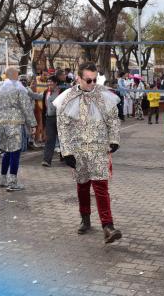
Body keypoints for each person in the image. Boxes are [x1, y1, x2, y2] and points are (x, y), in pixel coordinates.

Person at [53, 62, 122, 243]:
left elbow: (113, 120)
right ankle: (85, 219)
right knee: (83, 186)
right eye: (88, 80)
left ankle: (108, 226)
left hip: (99, 148)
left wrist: (114, 139)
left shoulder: (104, 95)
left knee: (101, 187)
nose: (92, 84)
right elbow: (63, 127)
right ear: (78, 78)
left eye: (94, 79)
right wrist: (66, 152)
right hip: (78, 150)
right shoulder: (66, 98)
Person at [0, 67, 37, 191]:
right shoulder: (19, 88)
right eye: (17, 74)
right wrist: (32, 124)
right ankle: (12, 182)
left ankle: (3, 178)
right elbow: (26, 108)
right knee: (15, 152)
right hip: (15, 123)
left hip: (1, 123)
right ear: (15, 75)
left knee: (7, 151)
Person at [41, 75, 61, 167]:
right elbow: (39, 97)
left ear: (56, 83)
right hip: (49, 118)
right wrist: (28, 91)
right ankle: (47, 160)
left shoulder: (61, 91)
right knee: (50, 139)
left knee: (62, 139)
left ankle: (65, 157)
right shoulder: (46, 92)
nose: (49, 83)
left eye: (51, 81)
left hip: (60, 118)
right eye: (48, 81)